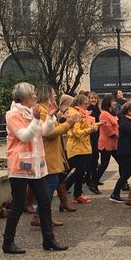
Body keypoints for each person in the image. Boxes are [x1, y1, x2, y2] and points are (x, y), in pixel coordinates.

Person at [2, 82, 68, 254]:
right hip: (19, 167)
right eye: (32, 93)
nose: (35, 96)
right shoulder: (12, 115)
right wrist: (37, 119)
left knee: (45, 201)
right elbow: (24, 136)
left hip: (36, 167)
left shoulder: (32, 112)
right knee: (18, 205)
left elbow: (44, 132)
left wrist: (51, 117)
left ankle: (49, 240)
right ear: (23, 96)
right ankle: (8, 242)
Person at [31, 85, 80, 225]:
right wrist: (69, 123)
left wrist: (64, 121)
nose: (55, 96)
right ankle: (40, 215)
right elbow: (49, 133)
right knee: (51, 183)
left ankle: (42, 214)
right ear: (47, 95)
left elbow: (53, 128)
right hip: (47, 154)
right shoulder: (42, 111)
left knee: (54, 182)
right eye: (53, 94)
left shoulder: (46, 110)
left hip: (51, 153)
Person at [65, 94, 105, 204]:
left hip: (83, 147)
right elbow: (76, 133)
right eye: (85, 103)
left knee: (80, 171)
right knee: (79, 171)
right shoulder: (76, 114)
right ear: (79, 104)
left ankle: (73, 192)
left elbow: (86, 127)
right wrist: (91, 130)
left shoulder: (82, 113)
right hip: (77, 147)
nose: (87, 105)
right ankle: (75, 193)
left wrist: (98, 124)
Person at [91, 95, 120, 200]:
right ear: (108, 102)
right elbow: (107, 129)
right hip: (106, 143)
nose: (115, 103)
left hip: (113, 143)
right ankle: (93, 183)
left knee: (120, 162)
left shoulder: (112, 113)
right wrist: (117, 136)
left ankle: (123, 182)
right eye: (113, 101)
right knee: (104, 164)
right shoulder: (104, 114)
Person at [85, 92, 102, 190]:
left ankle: (93, 178)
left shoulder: (96, 109)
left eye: (95, 98)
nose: (93, 100)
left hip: (97, 135)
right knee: (93, 158)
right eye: (91, 98)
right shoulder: (90, 110)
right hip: (92, 136)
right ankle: (90, 179)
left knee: (95, 158)